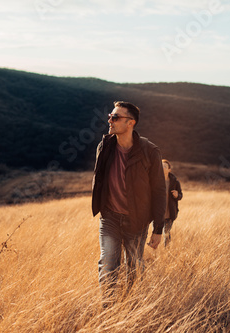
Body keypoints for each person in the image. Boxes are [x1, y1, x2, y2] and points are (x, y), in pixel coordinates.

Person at [92, 101, 166, 306]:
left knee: (133, 266)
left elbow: (159, 190)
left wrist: (158, 228)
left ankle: (131, 308)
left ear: (130, 123)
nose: (110, 120)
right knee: (108, 264)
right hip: (110, 218)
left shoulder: (149, 151)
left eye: (115, 117)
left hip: (137, 220)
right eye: (110, 116)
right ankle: (108, 310)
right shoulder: (104, 147)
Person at [161, 159, 183, 247]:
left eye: (165, 166)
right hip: (158, 212)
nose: (162, 168)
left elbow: (181, 196)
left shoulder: (175, 182)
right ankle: (155, 251)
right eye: (161, 166)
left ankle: (166, 250)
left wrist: (177, 195)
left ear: (169, 169)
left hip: (170, 213)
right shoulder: (155, 181)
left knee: (166, 232)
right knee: (156, 232)